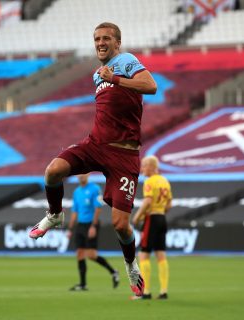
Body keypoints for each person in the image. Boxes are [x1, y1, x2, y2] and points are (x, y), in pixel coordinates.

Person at [29, 21, 157, 297]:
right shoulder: (97, 74)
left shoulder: (125, 61)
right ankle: (54, 215)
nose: (100, 42)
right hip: (96, 145)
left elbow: (151, 85)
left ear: (117, 42)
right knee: (53, 171)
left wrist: (116, 79)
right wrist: (107, 78)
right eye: (96, 38)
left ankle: (131, 265)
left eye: (106, 38)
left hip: (124, 154)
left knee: (122, 225)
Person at [67, 174, 120, 291]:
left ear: (88, 174)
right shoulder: (76, 191)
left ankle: (113, 272)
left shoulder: (95, 189)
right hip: (80, 225)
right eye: (79, 174)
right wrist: (70, 229)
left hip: (90, 224)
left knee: (91, 255)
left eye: (83, 174)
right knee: (80, 253)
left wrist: (93, 226)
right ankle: (82, 284)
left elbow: (98, 208)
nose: (81, 176)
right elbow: (75, 211)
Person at [132, 155, 172, 300]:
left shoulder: (150, 181)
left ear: (150, 166)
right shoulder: (165, 181)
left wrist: (137, 216)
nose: (142, 169)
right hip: (162, 218)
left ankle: (146, 292)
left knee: (144, 254)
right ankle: (163, 291)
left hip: (152, 219)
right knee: (161, 255)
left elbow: (148, 201)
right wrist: (160, 213)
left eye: (144, 166)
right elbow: (169, 204)